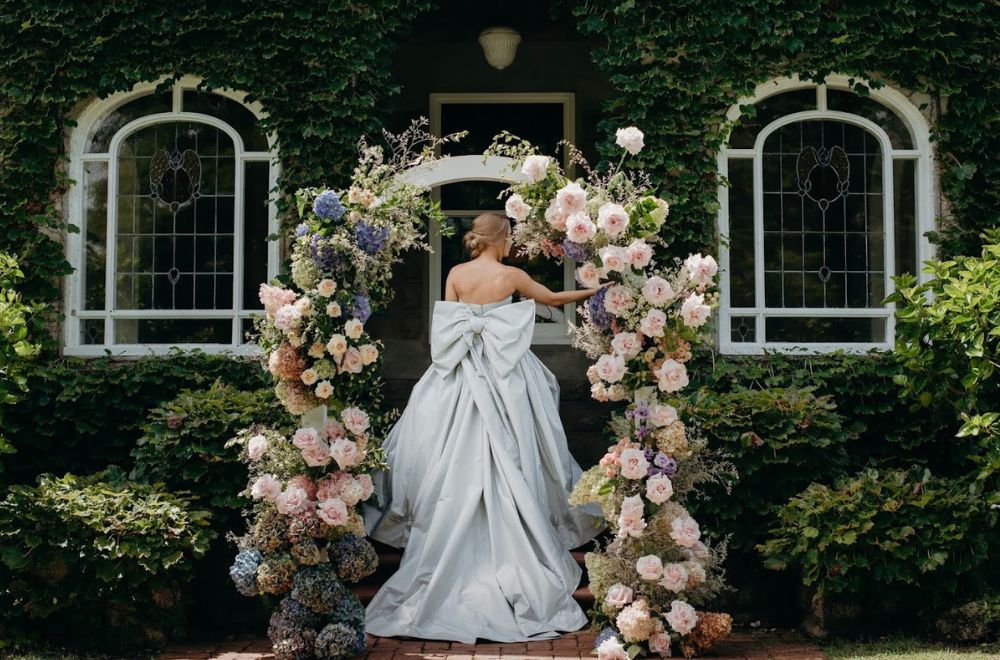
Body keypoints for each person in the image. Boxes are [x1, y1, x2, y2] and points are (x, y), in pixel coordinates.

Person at [360, 210, 610, 643]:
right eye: (511, 236)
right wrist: (595, 291)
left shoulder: (456, 272)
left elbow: (452, 329)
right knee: (523, 444)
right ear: (502, 238)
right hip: (504, 374)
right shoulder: (511, 276)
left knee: (439, 448)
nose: (513, 242)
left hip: (458, 373)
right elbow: (550, 299)